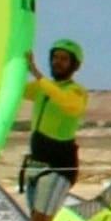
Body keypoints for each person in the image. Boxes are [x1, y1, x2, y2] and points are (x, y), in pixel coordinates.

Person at [20, 42, 87, 204]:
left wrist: (36, 73)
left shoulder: (77, 91)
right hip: (36, 162)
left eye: (64, 59)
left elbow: (65, 101)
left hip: (59, 166)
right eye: (55, 57)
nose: (57, 62)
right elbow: (15, 89)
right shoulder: (42, 87)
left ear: (74, 65)